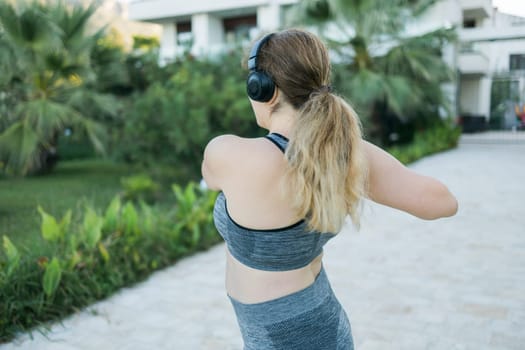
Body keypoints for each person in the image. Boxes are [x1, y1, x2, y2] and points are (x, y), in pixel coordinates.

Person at [201, 29, 458, 350]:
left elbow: (210, 178)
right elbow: (442, 202)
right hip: (315, 326)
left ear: (264, 89)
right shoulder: (345, 152)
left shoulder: (228, 153)